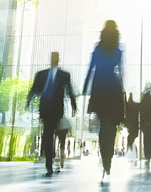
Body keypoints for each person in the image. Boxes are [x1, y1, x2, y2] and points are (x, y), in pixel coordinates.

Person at [84, 20, 126, 183]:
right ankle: (108, 159)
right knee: (112, 126)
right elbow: (121, 72)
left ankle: (105, 159)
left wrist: (85, 87)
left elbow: (91, 68)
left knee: (103, 125)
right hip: (113, 88)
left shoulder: (97, 49)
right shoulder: (118, 50)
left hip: (100, 88)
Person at [26, 51, 77, 177]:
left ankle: (51, 163)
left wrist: (73, 104)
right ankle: (49, 165)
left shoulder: (64, 75)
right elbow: (34, 89)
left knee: (51, 136)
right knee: (48, 137)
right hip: (45, 109)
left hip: (57, 111)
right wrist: (28, 101)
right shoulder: (41, 75)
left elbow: (69, 90)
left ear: (58, 59)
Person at [125, 92, 140, 161]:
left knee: (130, 138)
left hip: (131, 124)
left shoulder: (128, 105)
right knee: (131, 137)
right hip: (134, 124)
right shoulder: (135, 105)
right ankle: (130, 150)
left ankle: (130, 150)